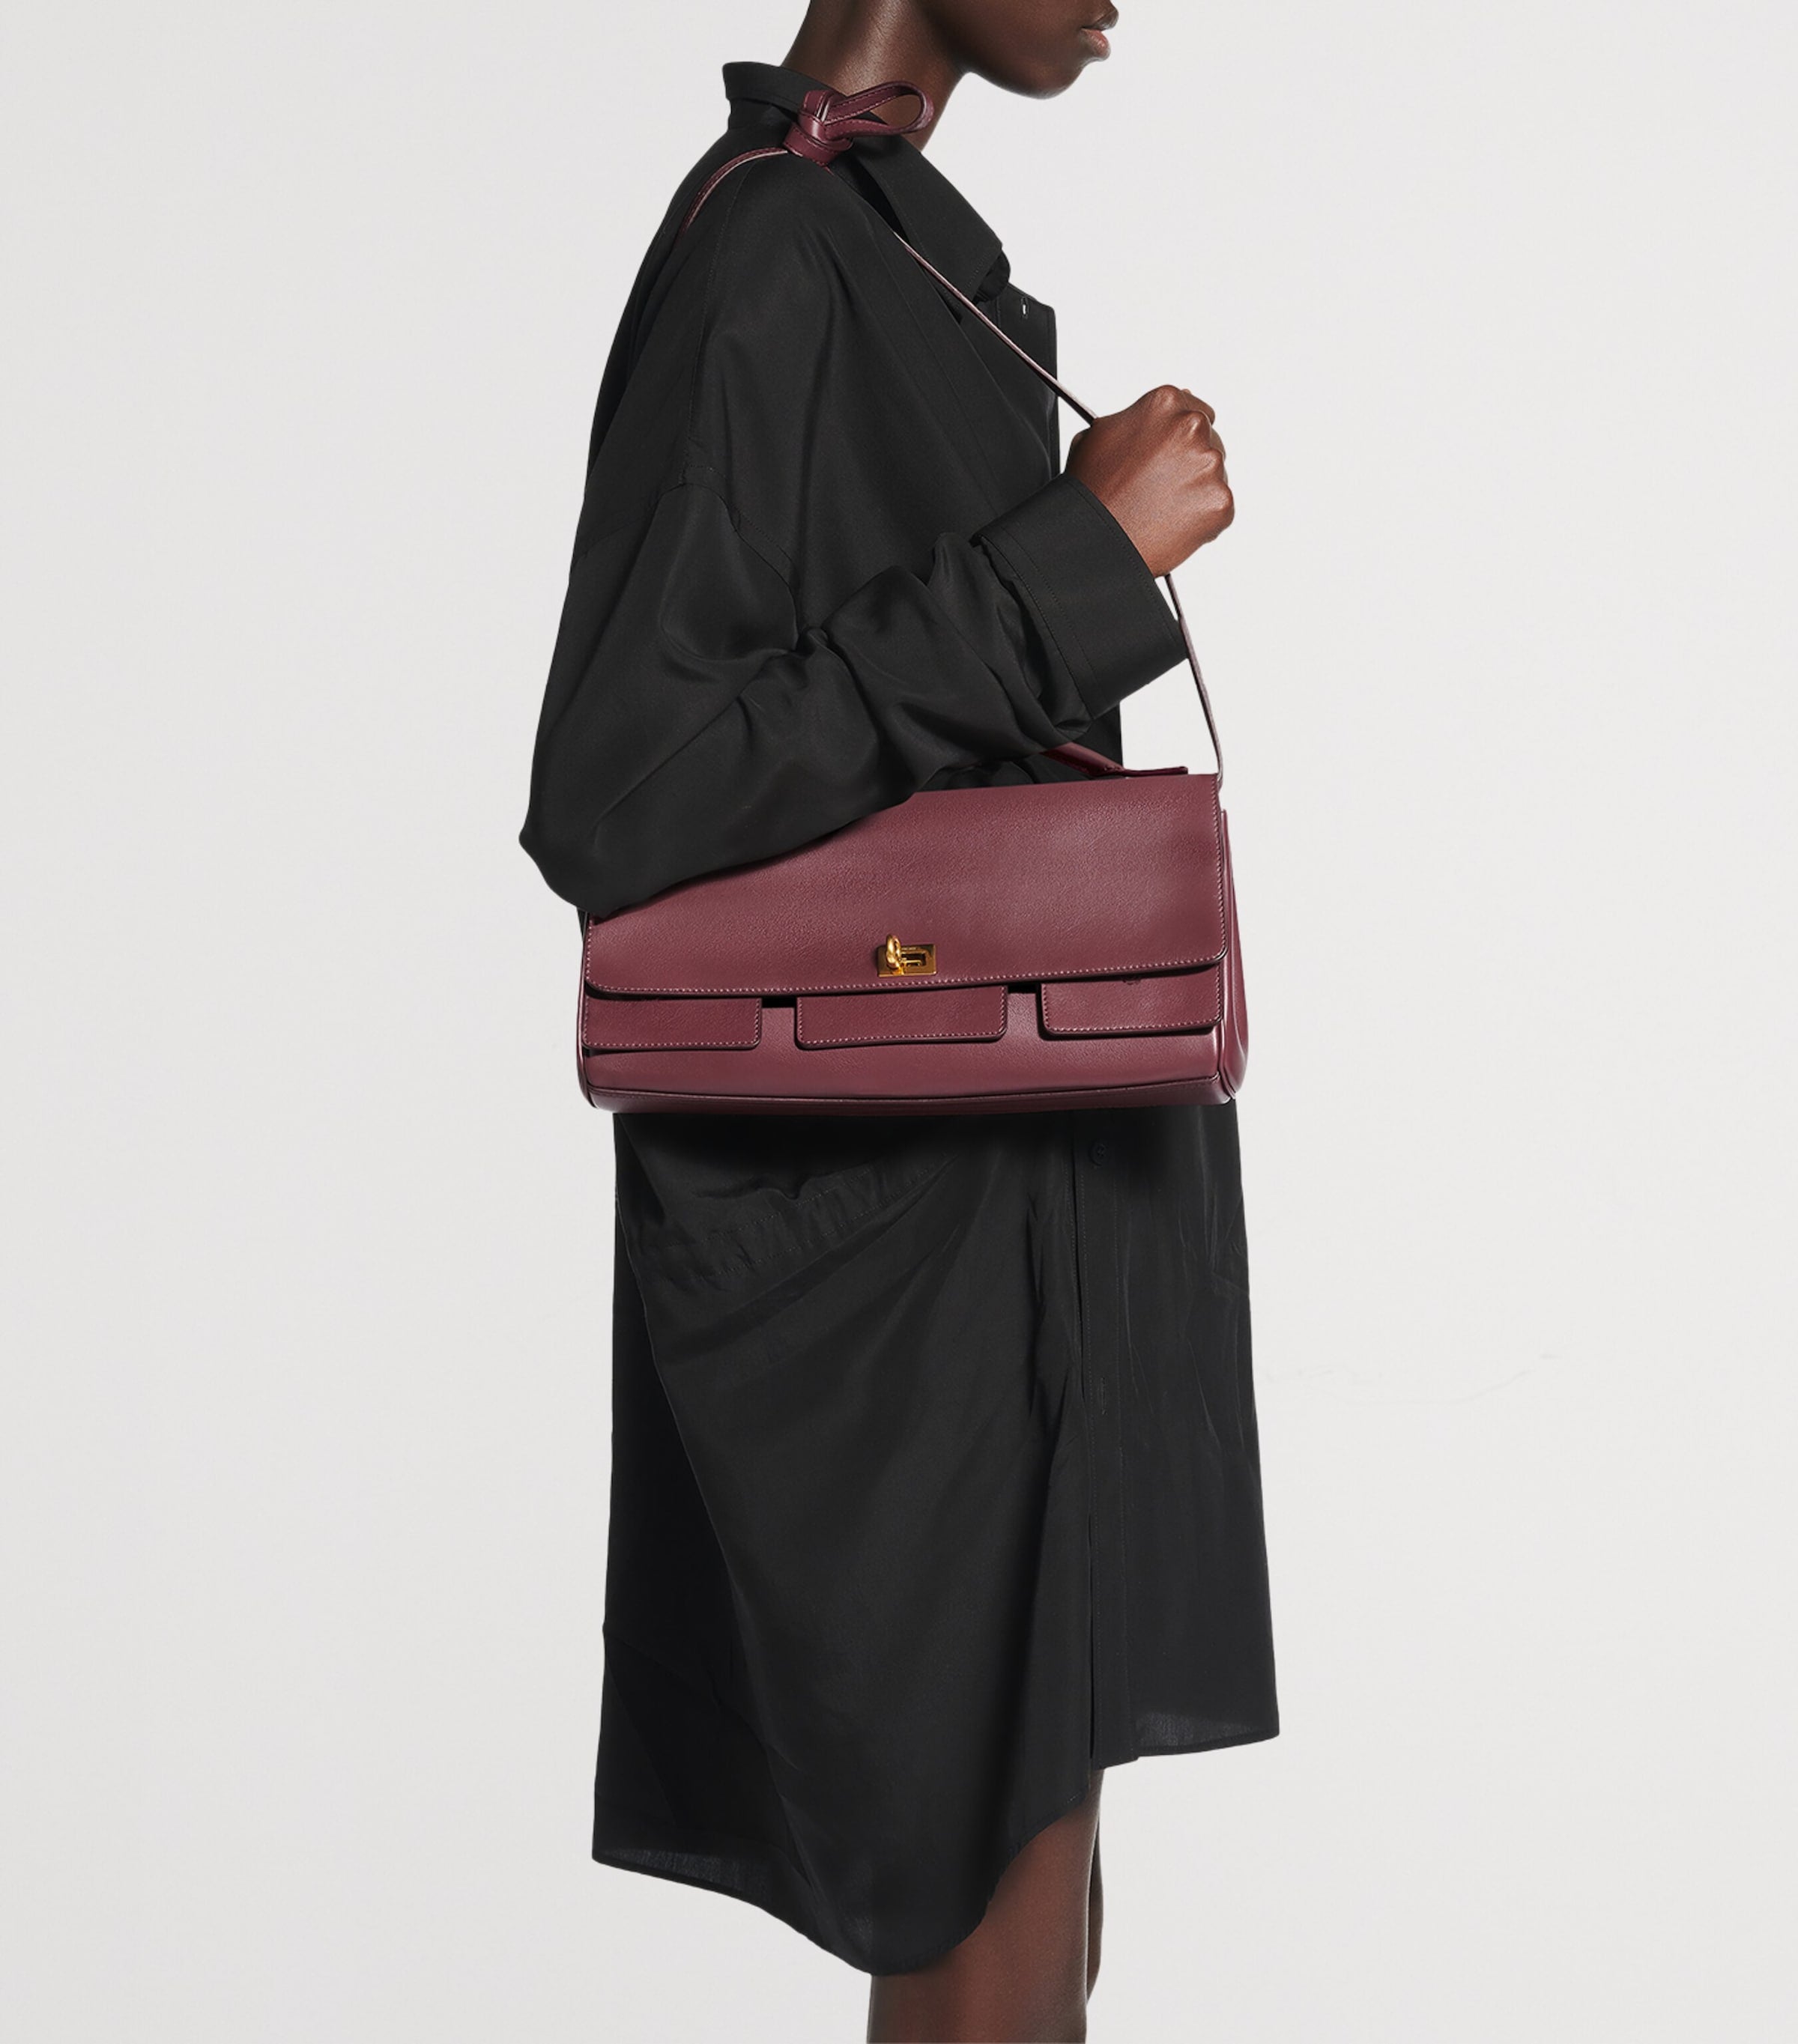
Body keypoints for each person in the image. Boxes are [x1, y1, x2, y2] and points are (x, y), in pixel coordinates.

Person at [521, 4, 1277, 2037]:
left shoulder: (891, 244)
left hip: (1023, 1196)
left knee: (1041, 1922)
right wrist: (1067, 565)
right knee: (983, 1917)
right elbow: (623, 788)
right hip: (899, 1254)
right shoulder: (771, 246)